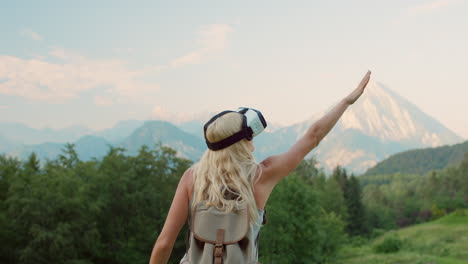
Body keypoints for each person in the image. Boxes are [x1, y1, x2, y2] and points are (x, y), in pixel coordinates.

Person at [149, 70, 372, 264]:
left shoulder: (191, 178)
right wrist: (347, 101)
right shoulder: (262, 176)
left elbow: (164, 244)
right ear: (242, 143)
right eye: (250, 137)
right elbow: (312, 137)